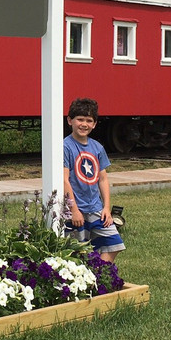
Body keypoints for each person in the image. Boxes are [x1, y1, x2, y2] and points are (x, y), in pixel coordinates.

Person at [62, 97, 124, 263]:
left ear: (95, 124)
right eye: (80, 119)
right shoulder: (65, 146)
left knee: (114, 244)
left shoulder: (97, 147)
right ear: (70, 120)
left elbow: (102, 179)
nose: (84, 124)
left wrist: (106, 208)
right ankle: (83, 280)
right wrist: (73, 209)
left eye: (89, 121)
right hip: (77, 209)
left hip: (96, 208)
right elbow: (64, 180)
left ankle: (98, 274)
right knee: (77, 252)